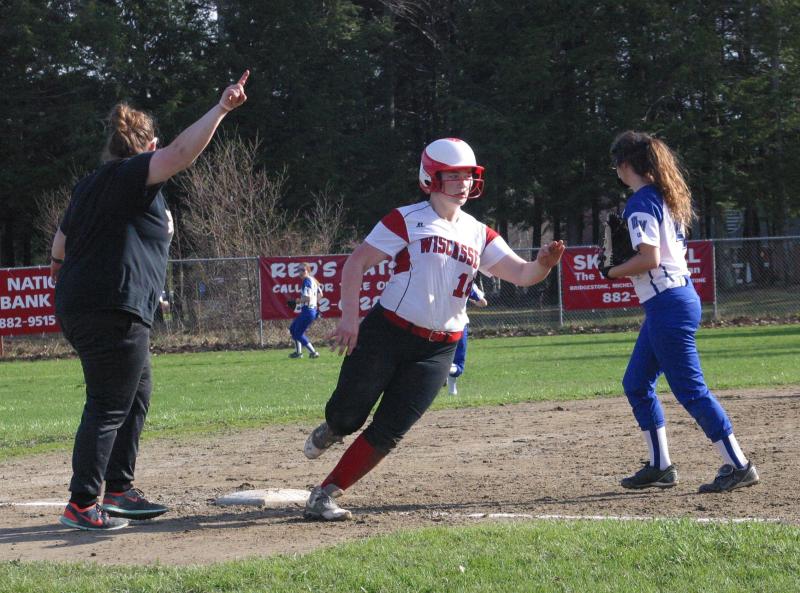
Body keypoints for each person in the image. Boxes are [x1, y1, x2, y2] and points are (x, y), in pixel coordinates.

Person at [302, 138, 565, 521]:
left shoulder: (479, 232)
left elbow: (522, 274)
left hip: (439, 348)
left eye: (468, 176)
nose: (462, 184)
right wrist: (349, 318)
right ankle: (332, 428)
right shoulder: (406, 218)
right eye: (451, 176)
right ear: (430, 178)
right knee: (348, 417)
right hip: (388, 333)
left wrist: (543, 264)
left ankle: (325, 493)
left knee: (390, 430)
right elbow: (356, 263)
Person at [50, 70, 250, 531]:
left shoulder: (90, 184)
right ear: (147, 144)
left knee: (135, 394)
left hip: (92, 303)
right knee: (109, 402)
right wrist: (221, 109)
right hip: (112, 306)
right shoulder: (130, 175)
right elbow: (180, 153)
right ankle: (82, 503)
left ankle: (118, 490)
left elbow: (58, 250)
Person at [603, 130, 759, 493]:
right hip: (673, 301)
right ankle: (660, 466)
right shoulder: (662, 196)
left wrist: (611, 271)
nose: (617, 171)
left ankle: (738, 464)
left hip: (668, 304)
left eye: (616, 166)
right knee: (637, 383)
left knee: (690, 390)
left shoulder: (642, 200)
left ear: (625, 165)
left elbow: (649, 259)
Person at [446, 284, 488, 395]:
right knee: (458, 365)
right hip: (458, 324)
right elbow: (483, 303)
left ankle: (452, 391)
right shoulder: (467, 278)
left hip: (435, 325)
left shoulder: (436, 275)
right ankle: (443, 370)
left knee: (440, 357)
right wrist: (473, 300)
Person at [288, 263, 324, 359]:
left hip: (308, 311)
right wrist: (314, 305)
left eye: (303, 270)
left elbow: (307, 298)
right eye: (299, 270)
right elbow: (321, 294)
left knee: (298, 333)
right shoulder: (313, 280)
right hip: (309, 311)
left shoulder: (307, 281)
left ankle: (313, 352)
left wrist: (297, 301)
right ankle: (298, 353)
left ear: (308, 270)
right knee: (293, 328)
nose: (300, 272)